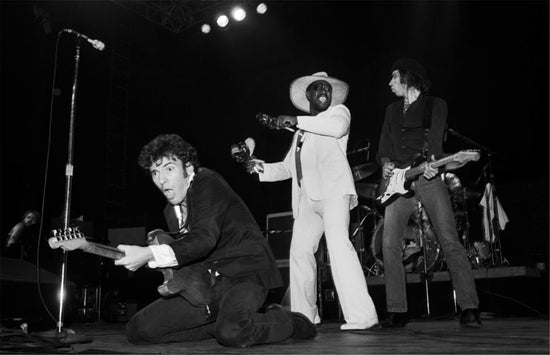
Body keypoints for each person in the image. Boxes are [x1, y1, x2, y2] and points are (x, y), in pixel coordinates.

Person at [113, 134, 316, 347]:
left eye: (169, 169)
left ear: (188, 168)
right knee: (138, 330)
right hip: (208, 286)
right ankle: (221, 325)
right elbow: (189, 257)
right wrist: (151, 261)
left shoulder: (207, 181)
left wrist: (148, 253)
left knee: (233, 333)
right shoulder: (170, 211)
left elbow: (203, 239)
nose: (161, 180)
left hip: (246, 274)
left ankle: (286, 321)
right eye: (155, 172)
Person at [247, 72, 379, 330]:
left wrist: (296, 120)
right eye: (318, 87)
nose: (324, 91)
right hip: (306, 198)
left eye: (328, 88)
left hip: (332, 192)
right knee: (299, 252)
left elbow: (336, 129)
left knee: (339, 245)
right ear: (307, 95)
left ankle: (363, 315)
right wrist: (257, 167)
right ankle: (304, 316)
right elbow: (287, 169)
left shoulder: (339, 113)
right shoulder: (300, 134)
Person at [376, 58, 482, 328]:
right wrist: (386, 163)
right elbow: (383, 147)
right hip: (397, 184)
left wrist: (433, 164)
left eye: (394, 77)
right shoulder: (390, 110)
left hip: (427, 178)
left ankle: (469, 307)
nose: (389, 83)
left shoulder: (436, 105)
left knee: (449, 239)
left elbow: (434, 144)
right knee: (389, 245)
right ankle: (397, 311)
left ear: (408, 78)